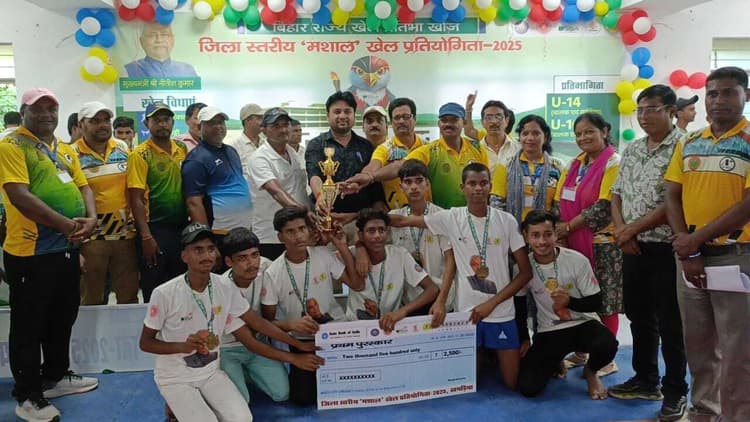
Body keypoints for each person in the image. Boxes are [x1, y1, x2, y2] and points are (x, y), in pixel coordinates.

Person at [140, 223, 322, 422]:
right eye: (198, 250)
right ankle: (177, 402)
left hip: (210, 372)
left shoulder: (224, 286)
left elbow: (257, 323)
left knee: (244, 418)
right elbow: (145, 343)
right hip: (175, 377)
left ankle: (201, 397)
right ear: (184, 256)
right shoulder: (164, 293)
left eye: (210, 249)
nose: (206, 255)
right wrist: (183, 346)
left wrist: (298, 346)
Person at [0, 88, 98, 421]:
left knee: (61, 318)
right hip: (30, 253)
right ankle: (28, 396)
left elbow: (84, 186)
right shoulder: (12, 146)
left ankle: (55, 376)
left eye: (52, 109)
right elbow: (19, 196)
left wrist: (91, 218)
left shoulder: (64, 149)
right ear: (23, 112)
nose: (46, 115)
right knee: (29, 327)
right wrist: (68, 225)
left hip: (65, 250)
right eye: (38, 109)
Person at [390, 163, 532, 389]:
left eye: (483, 183)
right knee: (467, 383)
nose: (478, 189)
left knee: (512, 383)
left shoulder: (507, 220)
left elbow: (526, 273)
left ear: (491, 186)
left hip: (501, 312)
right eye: (472, 184)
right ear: (462, 187)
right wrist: (353, 218)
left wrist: (491, 304)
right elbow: (402, 220)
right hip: (467, 313)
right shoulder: (451, 217)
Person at [665, 66, 750, 422]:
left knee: (737, 350)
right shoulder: (689, 141)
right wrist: (688, 248)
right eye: (712, 93)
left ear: (746, 95)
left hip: (736, 257)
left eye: (729, 92)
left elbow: (747, 205)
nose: (718, 100)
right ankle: (703, 412)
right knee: (698, 345)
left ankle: (737, 416)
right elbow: (672, 194)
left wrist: (694, 241)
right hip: (690, 258)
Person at [609, 85, 688, 421]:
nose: (643, 116)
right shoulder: (633, 149)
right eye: (640, 109)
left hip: (666, 247)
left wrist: (632, 229)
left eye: (651, 109)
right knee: (639, 316)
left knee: (671, 322)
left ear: (671, 111)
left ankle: (675, 391)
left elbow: (675, 201)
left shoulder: (684, 146)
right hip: (631, 247)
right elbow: (616, 194)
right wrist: (621, 232)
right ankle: (645, 379)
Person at [260, 206, 363, 405]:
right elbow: (267, 323)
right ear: (280, 237)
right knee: (303, 399)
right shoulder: (273, 273)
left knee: (352, 391)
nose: (298, 236)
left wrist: (341, 245)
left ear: (309, 230)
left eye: (301, 229)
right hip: (303, 341)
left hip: (336, 334)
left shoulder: (323, 254)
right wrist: (291, 325)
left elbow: (357, 284)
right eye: (290, 231)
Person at [516, 210, 617, 400]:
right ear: (526, 237)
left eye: (548, 234)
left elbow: (596, 302)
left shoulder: (576, 260)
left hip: (583, 323)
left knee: (608, 344)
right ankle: (556, 360)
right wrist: (524, 338)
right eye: (535, 235)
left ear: (556, 234)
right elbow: (519, 305)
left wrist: (570, 301)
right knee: (528, 387)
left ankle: (591, 372)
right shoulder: (522, 267)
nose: (542, 241)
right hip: (549, 330)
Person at [554, 112, 621, 376]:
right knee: (578, 297)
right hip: (573, 242)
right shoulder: (574, 164)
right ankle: (583, 352)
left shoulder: (614, 163)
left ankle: (606, 359)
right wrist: (561, 231)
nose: (583, 138)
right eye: (579, 134)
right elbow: (559, 200)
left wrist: (568, 227)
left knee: (604, 301)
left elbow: (604, 207)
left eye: (589, 131)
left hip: (603, 245)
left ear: (604, 131)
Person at [72, 101, 139, 305]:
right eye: (95, 121)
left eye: (106, 120)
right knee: (91, 298)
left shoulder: (122, 147)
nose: (102, 125)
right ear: (81, 125)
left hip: (125, 235)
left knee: (128, 296)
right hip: (91, 238)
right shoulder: (71, 154)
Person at [219, 227, 290, 403]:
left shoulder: (266, 268)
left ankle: (247, 372)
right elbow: (250, 333)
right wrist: (291, 328)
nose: (251, 263)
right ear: (228, 261)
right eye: (242, 258)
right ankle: (228, 371)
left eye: (255, 255)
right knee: (241, 402)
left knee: (282, 394)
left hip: (260, 341)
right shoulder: (221, 287)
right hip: (228, 348)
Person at [127, 102, 188, 302]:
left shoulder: (181, 148)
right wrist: (146, 237)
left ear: (172, 122)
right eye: (157, 120)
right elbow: (135, 198)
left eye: (166, 120)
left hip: (180, 229)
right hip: (154, 230)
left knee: (179, 285)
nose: (162, 124)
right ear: (146, 123)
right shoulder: (140, 154)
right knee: (155, 289)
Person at [346, 208, 439, 330]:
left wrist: (403, 311)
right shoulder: (350, 254)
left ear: (388, 232)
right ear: (361, 236)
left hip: (390, 326)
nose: (377, 236)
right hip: (356, 329)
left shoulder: (399, 254)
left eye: (381, 230)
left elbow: (432, 289)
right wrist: (358, 247)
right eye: (371, 231)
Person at [305, 91, 386, 228]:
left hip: (361, 220)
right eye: (337, 112)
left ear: (354, 115)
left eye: (347, 112)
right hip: (327, 218)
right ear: (328, 115)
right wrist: (320, 197)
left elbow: (375, 186)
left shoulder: (366, 146)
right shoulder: (317, 144)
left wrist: (378, 214)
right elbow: (314, 175)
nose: (342, 116)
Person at [387, 160, 456, 318]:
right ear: (400, 187)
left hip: (440, 299)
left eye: (419, 181)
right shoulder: (393, 218)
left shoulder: (441, 216)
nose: (414, 187)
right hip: (408, 299)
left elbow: (450, 261)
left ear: (428, 184)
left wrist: (441, 300)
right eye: (408, 182)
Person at [181, 106, 252, 246]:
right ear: (200, 127)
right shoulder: (196, 159)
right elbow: (194, 203)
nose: (218, 127)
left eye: (221, 122)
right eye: (212, 123)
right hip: (220, 232)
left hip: (243, 229)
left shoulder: (231, 151)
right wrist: (206, 240)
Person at [342, 97, 428, 210]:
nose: (401, 121)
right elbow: (373, 166)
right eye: (397, 118)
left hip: (428, 212)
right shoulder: (384, 149)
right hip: (396, 213)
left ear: (414, 119)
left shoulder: (428, 147)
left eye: (406, 117)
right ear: (392, 122)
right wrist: (359, 181)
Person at [248, 108, 311, 260]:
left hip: (299, 233)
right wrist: (305, 214)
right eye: (276, 126)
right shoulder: (259, 158)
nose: (283, 130)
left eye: (286, 125)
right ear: (263, 130)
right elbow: (276, 192)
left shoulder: (294, 153)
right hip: (272, 236)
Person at [404, 103, 489, 209]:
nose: (448, 124)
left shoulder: (478, 149)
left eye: (454, 120)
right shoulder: (429, 151)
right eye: (444, 120)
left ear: (464, 122)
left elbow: (487, 182)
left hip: (472, 214)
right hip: (440, 215)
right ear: (439, 124)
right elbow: (403, 166)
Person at [490, 115, 560, 224]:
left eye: (536, 133)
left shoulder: (557, 167)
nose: (530, 138)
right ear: (520, 137)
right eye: (525, 133)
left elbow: (559, 206)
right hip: (512, 229)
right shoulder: (505, 166)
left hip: (546, 231)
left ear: (545, 137)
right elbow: (497, 204)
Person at [125, 22, 198, 78]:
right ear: (141, 41)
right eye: (152, 35)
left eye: (164, 35)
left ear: (173, 40)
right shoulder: (129, 70)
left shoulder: (187, 70)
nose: (159, 40)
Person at [467, 96, 520, 173]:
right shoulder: (474, 151)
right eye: (489, 118)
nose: (494, 121)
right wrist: (468, 108)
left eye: (498, 117)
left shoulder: (519, 149)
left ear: (507, 121)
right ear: (482, 122)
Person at [226, 103, 265, 185]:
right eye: (259, 118)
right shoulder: (233, 147)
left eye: (263, 118)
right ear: (247, 120)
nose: (263, 122)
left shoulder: (267, 144)